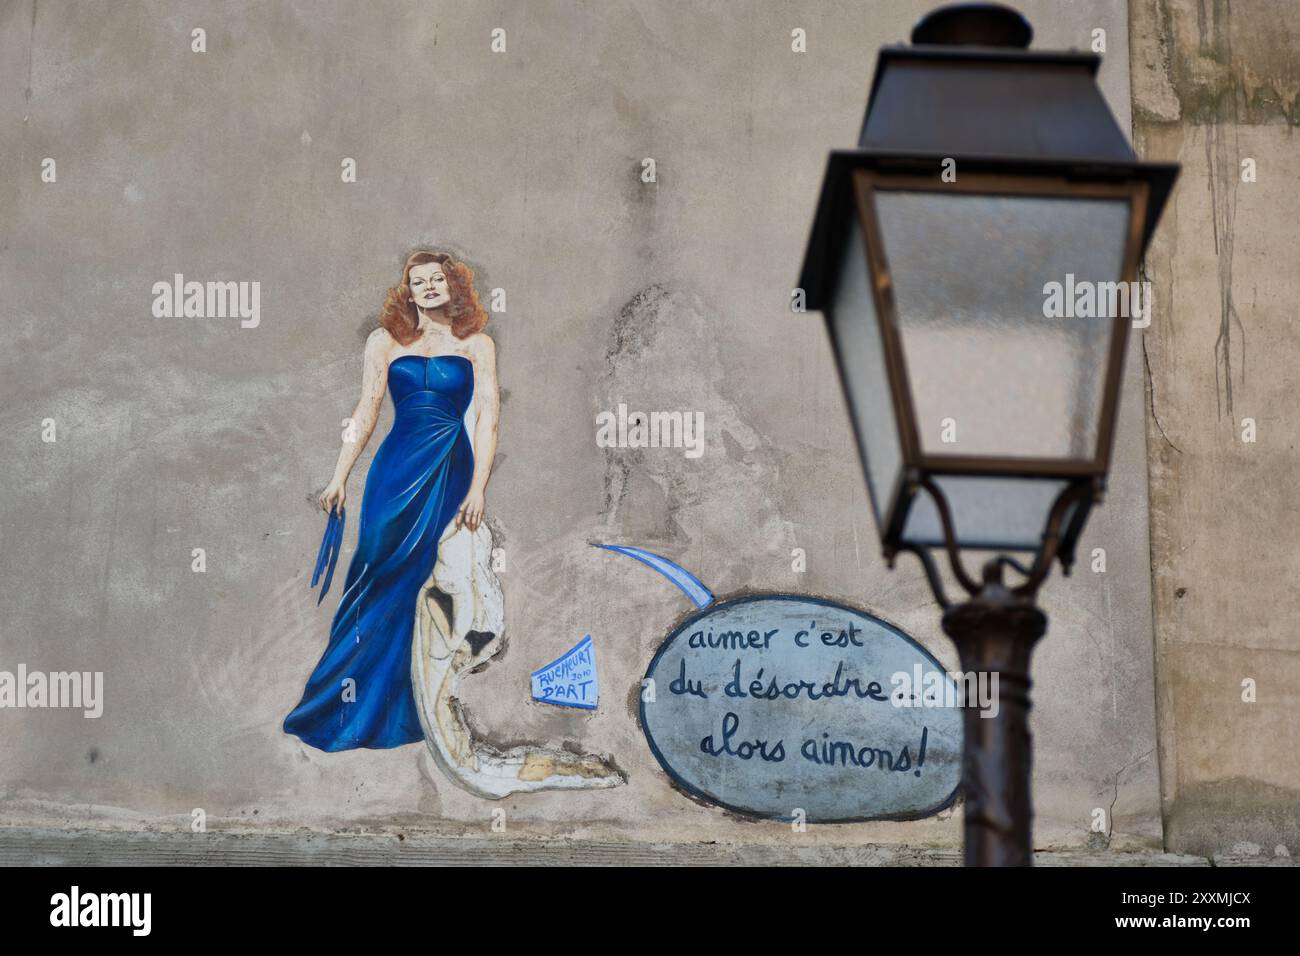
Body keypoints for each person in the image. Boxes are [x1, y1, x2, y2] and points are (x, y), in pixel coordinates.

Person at [284, 250, 499, 751]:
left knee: (424, 579)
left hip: (449, 466)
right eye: (417, 281)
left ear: (454, 286)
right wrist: (339, 477)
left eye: (437, 279)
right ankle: (340, 705)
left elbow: (488, 418)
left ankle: (410, 706)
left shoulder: (477, 345)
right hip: (394, 466)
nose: (427, 287)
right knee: (375, 570)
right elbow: (366, 409)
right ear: (407, 291)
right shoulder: (384, 342)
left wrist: (478, 489)